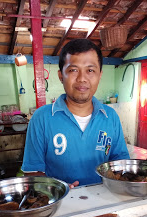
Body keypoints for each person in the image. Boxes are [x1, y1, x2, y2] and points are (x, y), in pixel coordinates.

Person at [22, 39, 129, 188]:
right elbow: (32, 172)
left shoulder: (110, 117)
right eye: (73, 70)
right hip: (61, 206)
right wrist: (56, 188)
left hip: (106, 201)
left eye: (90, 70)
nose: (82, 78)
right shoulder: (41, 119)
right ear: (60, 76)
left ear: (100, 75)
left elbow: (121, 164)